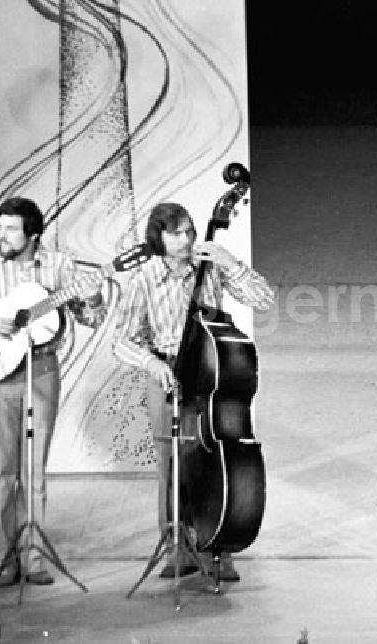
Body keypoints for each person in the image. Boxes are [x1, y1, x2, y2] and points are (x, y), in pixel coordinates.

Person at [113, 201, 273, 581]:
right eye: (175, 233)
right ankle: (178, 549)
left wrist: (230, 261)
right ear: (158, 237)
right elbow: (121, 341)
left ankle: (221, 547)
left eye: (189, 231)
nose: (186, 240)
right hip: (167, 374)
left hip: (209, 377)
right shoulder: (144, 279)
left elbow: (263, 298)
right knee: (172, 466)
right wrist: (151, 363)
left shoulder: (211, 266)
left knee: (213, 460)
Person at [0, 196, 105, 587]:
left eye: (11, 229)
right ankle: (1, 560)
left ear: (33, 235)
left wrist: (93, 295)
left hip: (41, 370)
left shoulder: (59, 266)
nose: (1, 236)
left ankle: (33, 558)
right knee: (0, 469)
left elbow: (91, 317)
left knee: (33, 469)